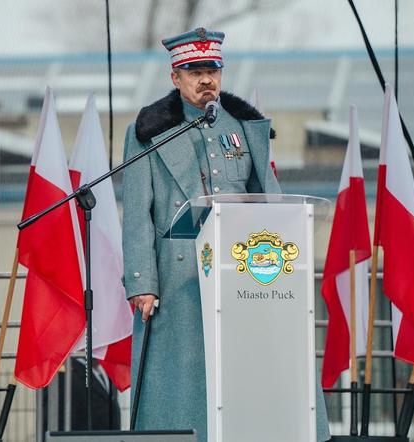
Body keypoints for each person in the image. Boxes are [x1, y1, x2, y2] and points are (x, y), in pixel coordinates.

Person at [121, 27, 330, 441]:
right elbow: (137, 213)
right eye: (195, 71)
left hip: (243, 274)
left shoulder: (244, 126)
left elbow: (265, 198)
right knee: (183, 385)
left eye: (212, 69)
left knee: (247, 375)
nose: (206, 80)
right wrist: (141, 281)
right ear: (175, 78)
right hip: (179, 277)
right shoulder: (149, 130)